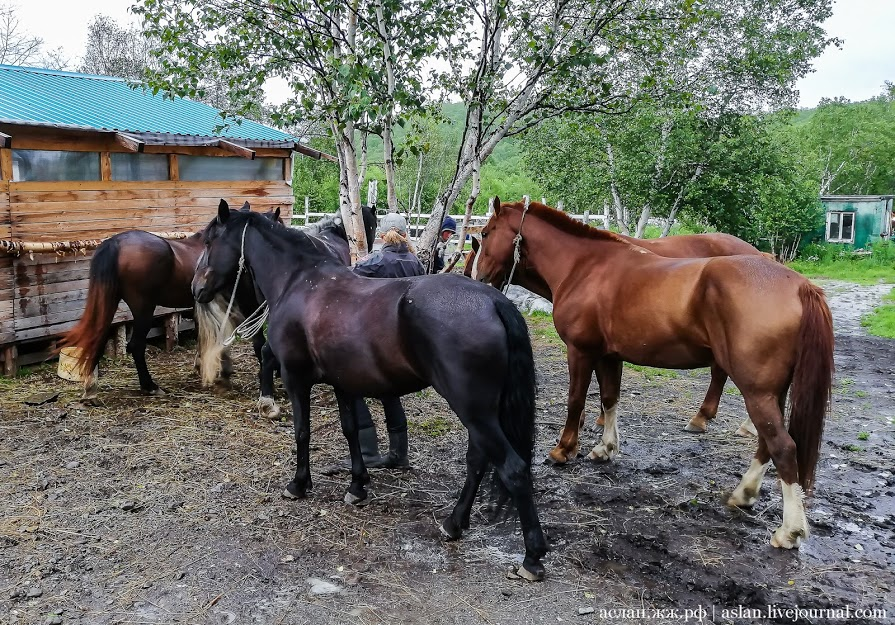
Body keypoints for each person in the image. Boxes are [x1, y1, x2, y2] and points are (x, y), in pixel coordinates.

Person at [327, 211, 424, 472]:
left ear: (382, 235)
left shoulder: (376, 260)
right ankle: (398, 453)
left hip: (375, 334)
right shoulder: (415, 262)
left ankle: (368, 450)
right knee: (391, 393)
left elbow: (345, 278)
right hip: (407, 339)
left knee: (351, 387)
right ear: (405, 234)